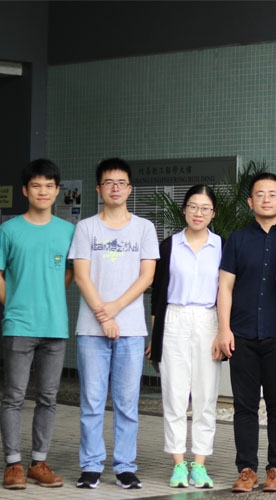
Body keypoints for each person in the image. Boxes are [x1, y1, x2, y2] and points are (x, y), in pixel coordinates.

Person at [69, 157, 159, 490]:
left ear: (130, 189)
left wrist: (115, 311)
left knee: (127, 402)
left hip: (132, 330)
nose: (115, 188)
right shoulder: (86, 228)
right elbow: (81, 275)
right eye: (109, 183)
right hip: (91, 331)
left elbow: (147, 275)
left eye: (121, 183)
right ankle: (91, 466)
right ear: (99, 189)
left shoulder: (144, 228)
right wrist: (102, 316)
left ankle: (124, 467)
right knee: (91, 401)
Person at [213, 173, 276, 494]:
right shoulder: (236, 239)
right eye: (259, 194)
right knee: (244, 406)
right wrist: (224, 329)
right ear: (250, 202)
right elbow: (225, 286)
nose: (265, 199)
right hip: (242, 334)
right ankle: (246, 469)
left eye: (272, 194)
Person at [0, 159, 75, 490]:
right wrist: (14, 303)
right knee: (14, 396)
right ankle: (13, 463)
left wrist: (51, 295)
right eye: (36, 185)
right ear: (25, 190)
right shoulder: (9, 230)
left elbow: (74, 270)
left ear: (58, 191)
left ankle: (39, 463)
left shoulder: (68, 231)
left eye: (49, 186)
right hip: (18, 325)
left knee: (48, 396)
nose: (42, 191)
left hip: (55, 326)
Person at [148, 184, 222, 489]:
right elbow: (158, 294)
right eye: (193, 206)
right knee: (175, 394)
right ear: (184, 210)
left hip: (209, 320)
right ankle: (179, 463)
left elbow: (227, 292)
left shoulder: (222, 246)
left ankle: (200, 463)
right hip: (173, 319)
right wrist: (155, 333)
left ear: (213, 213)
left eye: (205, 208)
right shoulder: (168, 246)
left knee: (206, 396)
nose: (198, 213)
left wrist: (224, 331)